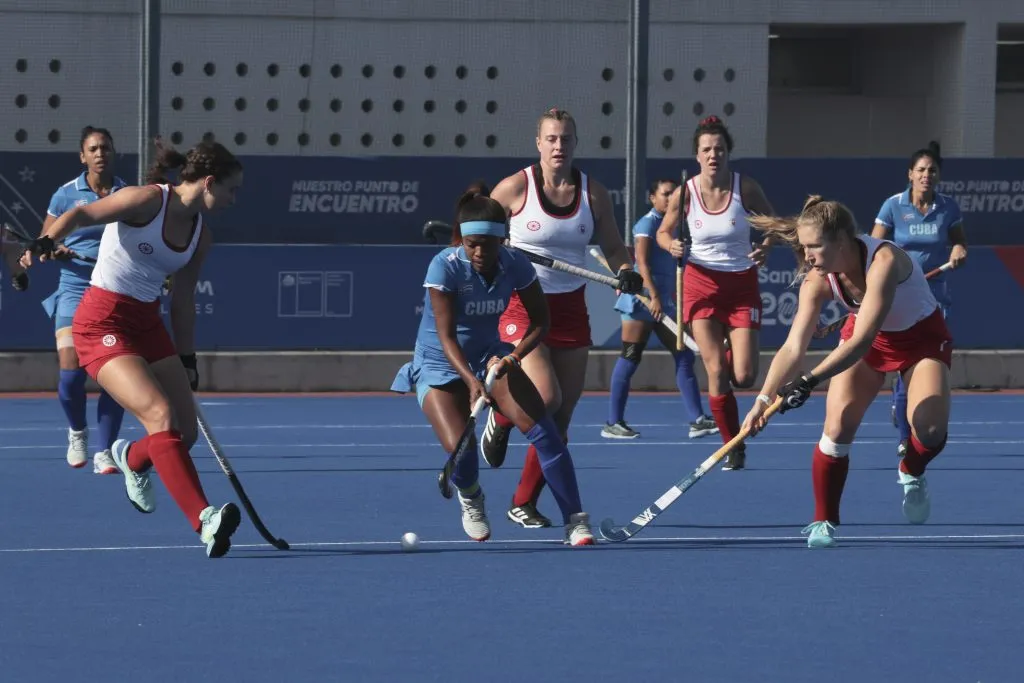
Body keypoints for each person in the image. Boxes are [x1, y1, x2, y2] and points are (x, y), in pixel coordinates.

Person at [20, 138, 244, 558]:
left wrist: (188, 359)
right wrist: (46, 239)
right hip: (100, 321)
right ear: (209, 182)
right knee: (159, 415)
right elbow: (82, 213)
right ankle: (204, 520)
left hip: (146, 323)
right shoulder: (146, 200)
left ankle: (133, 458)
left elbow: (182, 301)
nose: (235, 200)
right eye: (232, 189)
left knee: (185, 432)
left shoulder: (202, 236)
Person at [741, 196, 952, 549]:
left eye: (814, 246)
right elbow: (794, 347)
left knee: (929, 431)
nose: (806, 255)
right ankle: (824, 519)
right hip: (868, 342)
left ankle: (911, 467)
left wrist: (808, 381)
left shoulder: (882, 262)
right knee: (837, 426)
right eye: (804, 246)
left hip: (921, 340)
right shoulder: (818, 279)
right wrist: (762, 399)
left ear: (841, 241)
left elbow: (861, 339)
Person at [391, 184, 595, 546]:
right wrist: (472, 382)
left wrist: (513, 357)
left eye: (488, 244)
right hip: (439, 364)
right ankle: (471, 498)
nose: (480, 252)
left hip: (492, 356)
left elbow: (540, 323)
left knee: (546, 433)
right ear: (463, 242)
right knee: (463, 452)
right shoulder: (444, 266)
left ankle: (575, 521)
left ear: (503, 240)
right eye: (472, 245)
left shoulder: (515, 263)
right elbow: (447, 336)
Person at [480, 108, 643, 529]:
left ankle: (523, 502)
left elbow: (614, 247)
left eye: (565, 139)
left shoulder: (593, 195)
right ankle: (501, 413)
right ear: (538, 143)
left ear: (574, 143)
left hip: (572, 310)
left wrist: (626, 272)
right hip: (524, 307)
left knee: (561, 421)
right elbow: (477, 233)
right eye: (551, 138)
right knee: (546, 398)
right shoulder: (515, 189)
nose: (558, 146)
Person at [655, 115, 774, 471]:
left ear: (728, 154)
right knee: (714, 371)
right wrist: (671, 245)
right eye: (706, 149)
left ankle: (726, 353)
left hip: (741, 285)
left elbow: (773, 223)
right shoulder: (685, 193)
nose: (713, 155)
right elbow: (663, 232)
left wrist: (766, 245)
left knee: (744, 376)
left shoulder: (746, 188)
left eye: (719, 149)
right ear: (697, 155)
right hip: (700, 284)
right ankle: (731, 445)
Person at [37, 126, 129, 474]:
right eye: (93, 149)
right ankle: (78, 432)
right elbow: (45, 239)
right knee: (71, 376)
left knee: (113, 376)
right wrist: (51, 250)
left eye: (105, 147)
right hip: (74, 289)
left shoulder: (128, 194)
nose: (99, 153)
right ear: (82, 156)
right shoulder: (64, 196)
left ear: (113, 152)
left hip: (115, 293)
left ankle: (105, 450)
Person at [870, 141, 966, 458]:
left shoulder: (949, 207)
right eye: (921, 170)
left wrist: (958, 250)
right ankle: (904, 436)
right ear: (910, 174)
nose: (927, 175)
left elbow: (958, 244)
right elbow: (873, 248)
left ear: (938, 176)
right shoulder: (893, 206)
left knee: (926, 366)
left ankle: (911, 423)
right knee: (904, 370)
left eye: (932, 170)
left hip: (935, 299)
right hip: (900, 297)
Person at [603, 177, 717, 440]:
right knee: (630, 356)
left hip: (663, 303)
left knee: (684, 355)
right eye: (665, 194)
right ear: (653, 198)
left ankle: (697, 420)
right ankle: (613, 422)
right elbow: (641, 263)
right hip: (641, 301)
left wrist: (668, 298)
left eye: (673, 194)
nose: (670, 198)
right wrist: (653, 295)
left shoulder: (676, 227)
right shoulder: (647, 224)